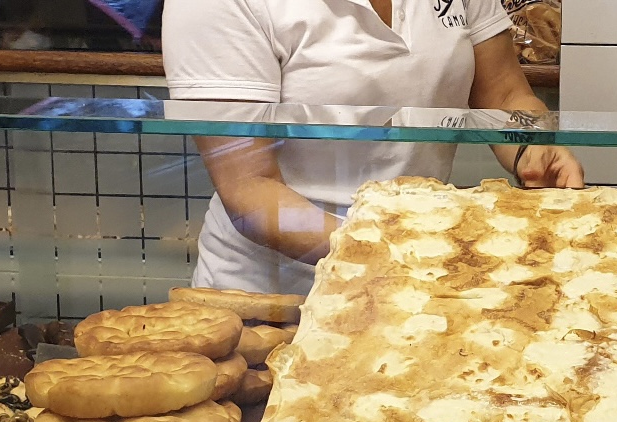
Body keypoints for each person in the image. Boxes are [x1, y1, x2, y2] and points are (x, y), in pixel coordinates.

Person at [163, 0, 584, 296]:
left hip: (418, 273)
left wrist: (530, 146)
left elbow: (505, 94)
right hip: (279, 296)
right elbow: (249, 189)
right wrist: (391, 254)